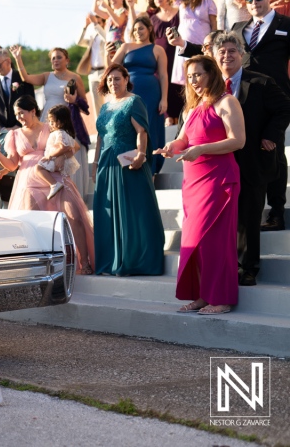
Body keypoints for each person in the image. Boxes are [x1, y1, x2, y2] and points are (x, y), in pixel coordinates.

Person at [154, 55, 245, 315]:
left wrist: (202, 149)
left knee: (215, 242)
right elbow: (183, 140)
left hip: (219, 180)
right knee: (194, 241)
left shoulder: (227, 102)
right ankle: (203, 295)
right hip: (193, 183)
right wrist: (171, 147)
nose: (193, 80)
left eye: (198, 74)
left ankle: (222, 298)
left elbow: (238, 140)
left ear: (211, 74)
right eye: (190, 76)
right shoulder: (191, 109)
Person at [213, 33, 290, 286]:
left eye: (232, 50)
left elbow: (284, 109)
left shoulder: (261, 82)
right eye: (222, 51)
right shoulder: (210, 88)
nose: (227, 56)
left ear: (242, 54)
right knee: (224, 218)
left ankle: (248, 269)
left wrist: (271, 136)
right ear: (215, 56)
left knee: (248, 217)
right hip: (219, 164)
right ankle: (226, 264)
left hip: (253, 163)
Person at [0, 96, 95, 274]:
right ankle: (41, 266)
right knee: (34, 225)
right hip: (29, 182)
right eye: (16, 115)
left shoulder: (51, 127)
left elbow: (73, 146)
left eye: (22, 113)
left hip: (55, 177)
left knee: (74, 216)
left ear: (33, 111)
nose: (19, 118)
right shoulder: (14, 135)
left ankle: (83, 262)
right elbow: (12, 165)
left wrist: (60, 156)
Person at [92, 64, 164, 276]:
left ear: (126, 79)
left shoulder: (134, 101)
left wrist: (141, 156)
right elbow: (99, 137)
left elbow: (142, 131)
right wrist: (95, 164)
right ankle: (110, 261)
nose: (113, 83)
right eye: (110, 80)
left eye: (117, 79)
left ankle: (133, 260)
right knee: (107, 213)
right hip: (106, 163)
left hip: (128, 162)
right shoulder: (105, 106)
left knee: (132, 211)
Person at [232, 0, 290, 231]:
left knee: (273, 153)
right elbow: (215, 51)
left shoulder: (286, 25)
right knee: (246, 156)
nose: (254, 3)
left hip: (276, 102)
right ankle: (248, 212)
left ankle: (276, 211)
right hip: (242, 102)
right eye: (249, 0)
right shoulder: (237, 28)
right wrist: (183, 46)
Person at [11, 44, 92, 196]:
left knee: (67, 154)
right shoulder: (47, 76)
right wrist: (18, 58)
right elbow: (26, 78)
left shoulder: (75, 78)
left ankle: (71, 193)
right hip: (48, 121)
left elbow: (85, 105)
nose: (55, 60)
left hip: (68, 122)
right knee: (48, 153)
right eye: (53, 58)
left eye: (59, 57)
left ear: (67, 60)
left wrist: (74, 100)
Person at [109, 16, 170, 174]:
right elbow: (111, 68)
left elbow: (163, 75)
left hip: (152, 93)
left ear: (149, 29)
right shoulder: (126, 47)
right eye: (135, 29)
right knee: (129, 126)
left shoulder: (157, 50)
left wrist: (164, 98)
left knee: (150, 127)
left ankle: (152, 167)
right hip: (129, 93)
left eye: (141, 28)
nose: (138, 32)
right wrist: (105, 52)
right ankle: (129, 161)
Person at [149, 0, 218, 87]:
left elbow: (214, 24)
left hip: (202, 44)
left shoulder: (208, 2)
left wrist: (213, 41)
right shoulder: (181, 1)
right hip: (184, 45)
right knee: (188, 79)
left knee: (203, 76)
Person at [149, 0, 184, 123]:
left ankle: (182, 118)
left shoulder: (180, 12)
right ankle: (169, 119)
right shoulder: (153, 19)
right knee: (165, 86)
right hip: (162, 60)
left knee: (180, 87)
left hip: (179, 55)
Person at [35, 105, 81, 200]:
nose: (50, 124)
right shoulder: (63, 133)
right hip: (57, 160)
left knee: (38, 168)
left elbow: (63, 147)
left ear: (60, 122)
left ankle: (54, 184)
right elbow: (68, 147)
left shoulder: (59, 133)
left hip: (54, 160)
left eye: (52, 122)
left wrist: (50, 156)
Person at [0, 48, 35, 129]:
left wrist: (18, 125)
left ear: (8, 61)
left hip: (24, 127)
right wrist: (2, 128)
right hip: (2, 131)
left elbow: (31, 103)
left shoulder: (22, 78)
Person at [77, 12, 107, 121]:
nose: (95, 24)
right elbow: (79, 42)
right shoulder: (92, 37)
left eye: (99, 22)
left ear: (103, 23)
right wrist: (85, 26)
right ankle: (100, 131)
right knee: (96, 103)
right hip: (93, 72)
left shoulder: (106, 34)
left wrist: (95, 23)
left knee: (109, 100)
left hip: (105, 71)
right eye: (95, 21)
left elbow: (107, 39)